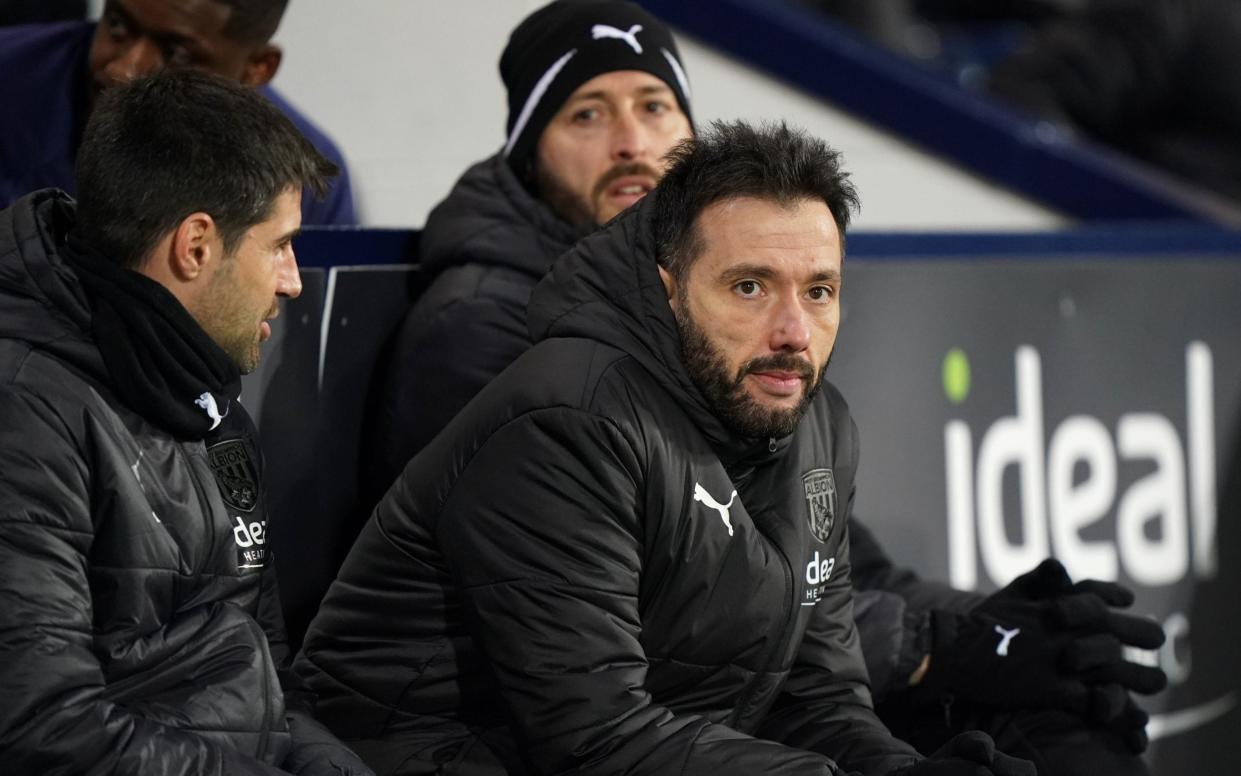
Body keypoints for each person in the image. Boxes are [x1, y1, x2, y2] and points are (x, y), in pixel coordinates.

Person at [296, 120, 1035, 776]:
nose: (792, 333)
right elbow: (592, 738)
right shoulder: (568, 421)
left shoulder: (816, 424)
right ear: (669, 288)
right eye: (749, 287)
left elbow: (813, 695)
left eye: (818, 291)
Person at [0, 69, 371, 776]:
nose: (292, 280)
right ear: (196, 246)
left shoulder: (210, 397)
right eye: (280, 245)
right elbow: (42, 731)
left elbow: (267, 674)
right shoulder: (23, 411)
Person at [368, 0, 695, 496]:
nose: (632, 144)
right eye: (587, 114)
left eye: (654, 107)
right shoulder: (479, 323)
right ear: (530, 152)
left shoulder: (704, 282)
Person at [0, 0, 355, 225]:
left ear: (256, 69)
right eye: (119, 25)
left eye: (177, 54)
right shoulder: (10, 77)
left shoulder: (303, 178)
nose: (124, 69)